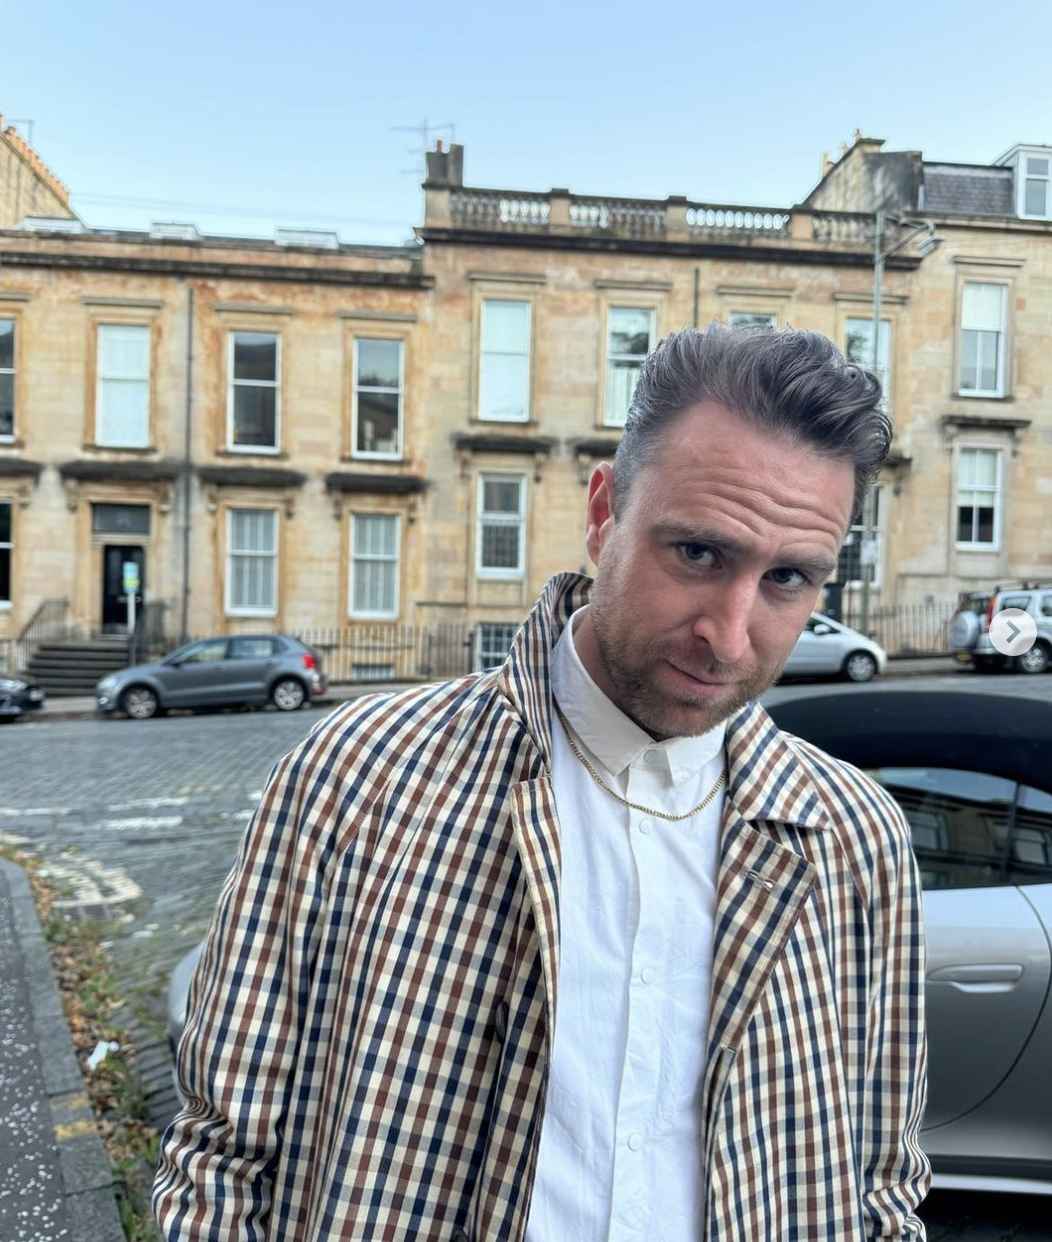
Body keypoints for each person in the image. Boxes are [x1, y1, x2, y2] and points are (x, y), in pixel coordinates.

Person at [154, 324, 930, 1241]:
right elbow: (226, 1154)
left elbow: (877, 1183)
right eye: (698, 554)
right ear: (604, 512)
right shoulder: (361, 776)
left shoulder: (853, 838)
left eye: (788, 579)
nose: (730, 634)